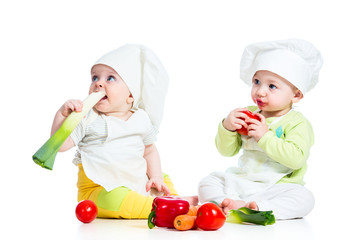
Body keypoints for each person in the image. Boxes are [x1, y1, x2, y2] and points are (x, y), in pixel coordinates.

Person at [51, 44, 197, 219]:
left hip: (134, 180)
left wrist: (156, 177)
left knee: (162, 178)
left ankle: (173, 199)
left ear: (130, 95)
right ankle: (167, 208)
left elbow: (149, 150)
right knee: (117, 200)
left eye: (110, 78)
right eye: (94, 77)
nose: (98, 83)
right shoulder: (87, 118)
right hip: (98, 190)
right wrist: (61, 115)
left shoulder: (141, 119)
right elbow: (58, 145)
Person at [198, 39, 323, 220]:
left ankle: (259, 208)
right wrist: (227, 127)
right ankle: (229, 202)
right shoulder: (249, 113)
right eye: (256, 82)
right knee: (208, 181)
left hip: (276, 187)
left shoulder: (297, 123)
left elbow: (296, 159)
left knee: (305, 199)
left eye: (272, 86)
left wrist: (265, 136)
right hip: (243, 182)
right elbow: (226, 152)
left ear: (295, 95)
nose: (260, 91)